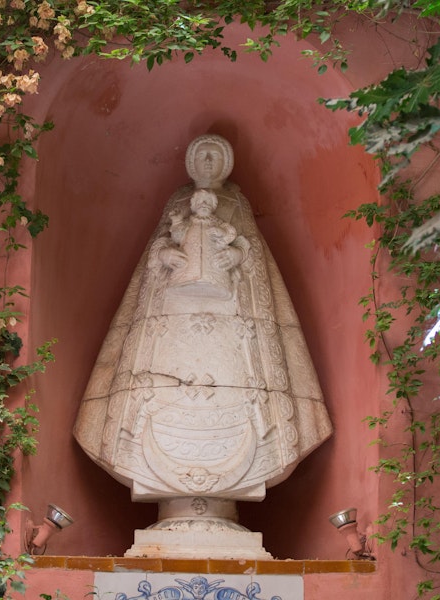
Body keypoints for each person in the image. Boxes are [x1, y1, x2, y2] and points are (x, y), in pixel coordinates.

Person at [74, 134, 332, 506]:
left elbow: (249, 247)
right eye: (202, 156)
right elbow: (160, 245)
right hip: (171, 318)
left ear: (226, 163)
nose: (208, 163)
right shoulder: (178, 202)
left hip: (232, 320)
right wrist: (166, 255)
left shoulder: (237, 203)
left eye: (214, 157)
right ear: (191, 162)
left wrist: (236, 256)